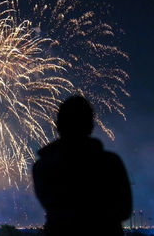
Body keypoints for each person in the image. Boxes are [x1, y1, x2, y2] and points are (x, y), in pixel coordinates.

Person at [33, 96, 132, 236]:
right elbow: (124, 210)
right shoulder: (110, 163)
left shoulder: (42, 167)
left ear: (58, 124)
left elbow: (57, 210)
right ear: (90, 124)